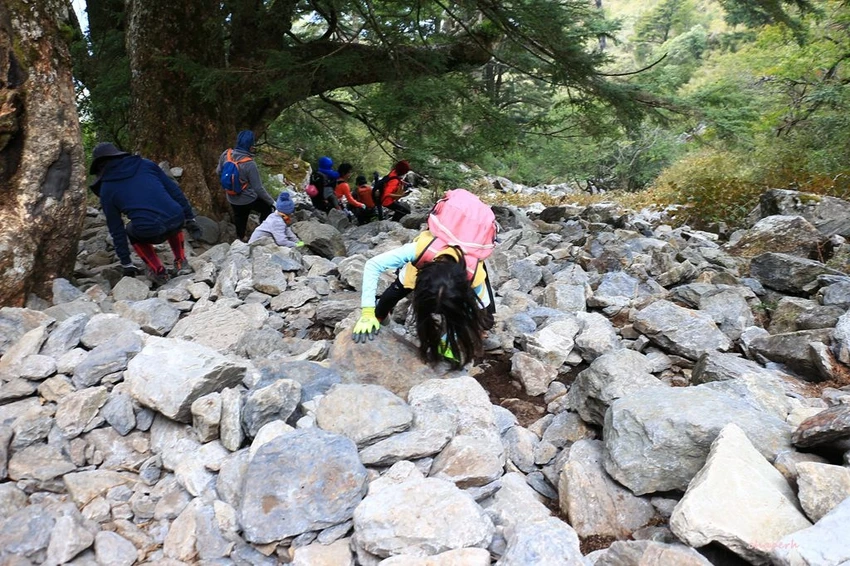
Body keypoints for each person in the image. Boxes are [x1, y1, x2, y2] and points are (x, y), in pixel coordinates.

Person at [351, 233, 496, 367]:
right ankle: (380, 315)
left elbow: (473, 310)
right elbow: (373, 265)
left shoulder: (475, 275)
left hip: (461, 269)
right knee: (389, 297)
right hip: (423, 267)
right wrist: (368, 312)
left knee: (486, 320)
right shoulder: (421, 249)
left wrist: (446, 341)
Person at [89, 142, 201, 285]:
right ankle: (180, 262)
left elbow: (116, 229)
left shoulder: (106, 189)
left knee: (130, 229)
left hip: (150, 230)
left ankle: (158, 271)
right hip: (177, 219)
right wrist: (190, 217)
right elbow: (175, 191)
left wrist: (126, 263)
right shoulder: (146, 164)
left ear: (99, 167)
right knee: (170, 212)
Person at [216, 130, 275, 241]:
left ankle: (241, 237)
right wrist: (272, 202)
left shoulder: (226, 154)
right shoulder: (249, 164)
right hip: (248, 199)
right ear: (250, 145)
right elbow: (258, 188)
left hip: (231, 196)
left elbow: (218, 171)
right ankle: (263, 232)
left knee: (240, 216)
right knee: (267, 208)